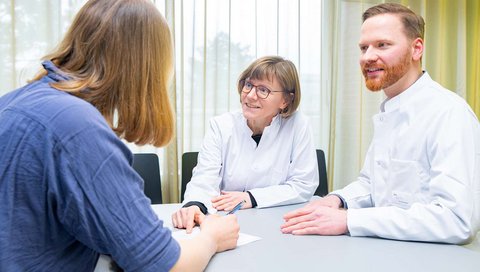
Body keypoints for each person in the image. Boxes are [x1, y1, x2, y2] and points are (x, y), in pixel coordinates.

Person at [0, 0, 239, 271]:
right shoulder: (77, 127)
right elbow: (166, 266)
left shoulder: (16, 101)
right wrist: (212, 237)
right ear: (145, 67)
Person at [281, 3, 480, 244]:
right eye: (364, 47)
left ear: (417, 49)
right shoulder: (391, 109)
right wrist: (337, 200)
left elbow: (456, 220)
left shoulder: (449, 113)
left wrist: (348, 220)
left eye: (382, 45)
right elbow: (372, 184)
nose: (367, 57)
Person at [172, 56, 319, 233]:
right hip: (225, 222)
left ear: (285, 100)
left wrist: (252, 198)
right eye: (248, 85)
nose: (250, 95)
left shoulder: (299, 125)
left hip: (277, 224)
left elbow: (303, 185)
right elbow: (204, 177)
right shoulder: (221, 125)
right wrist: (195, 204)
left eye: (263, 90)